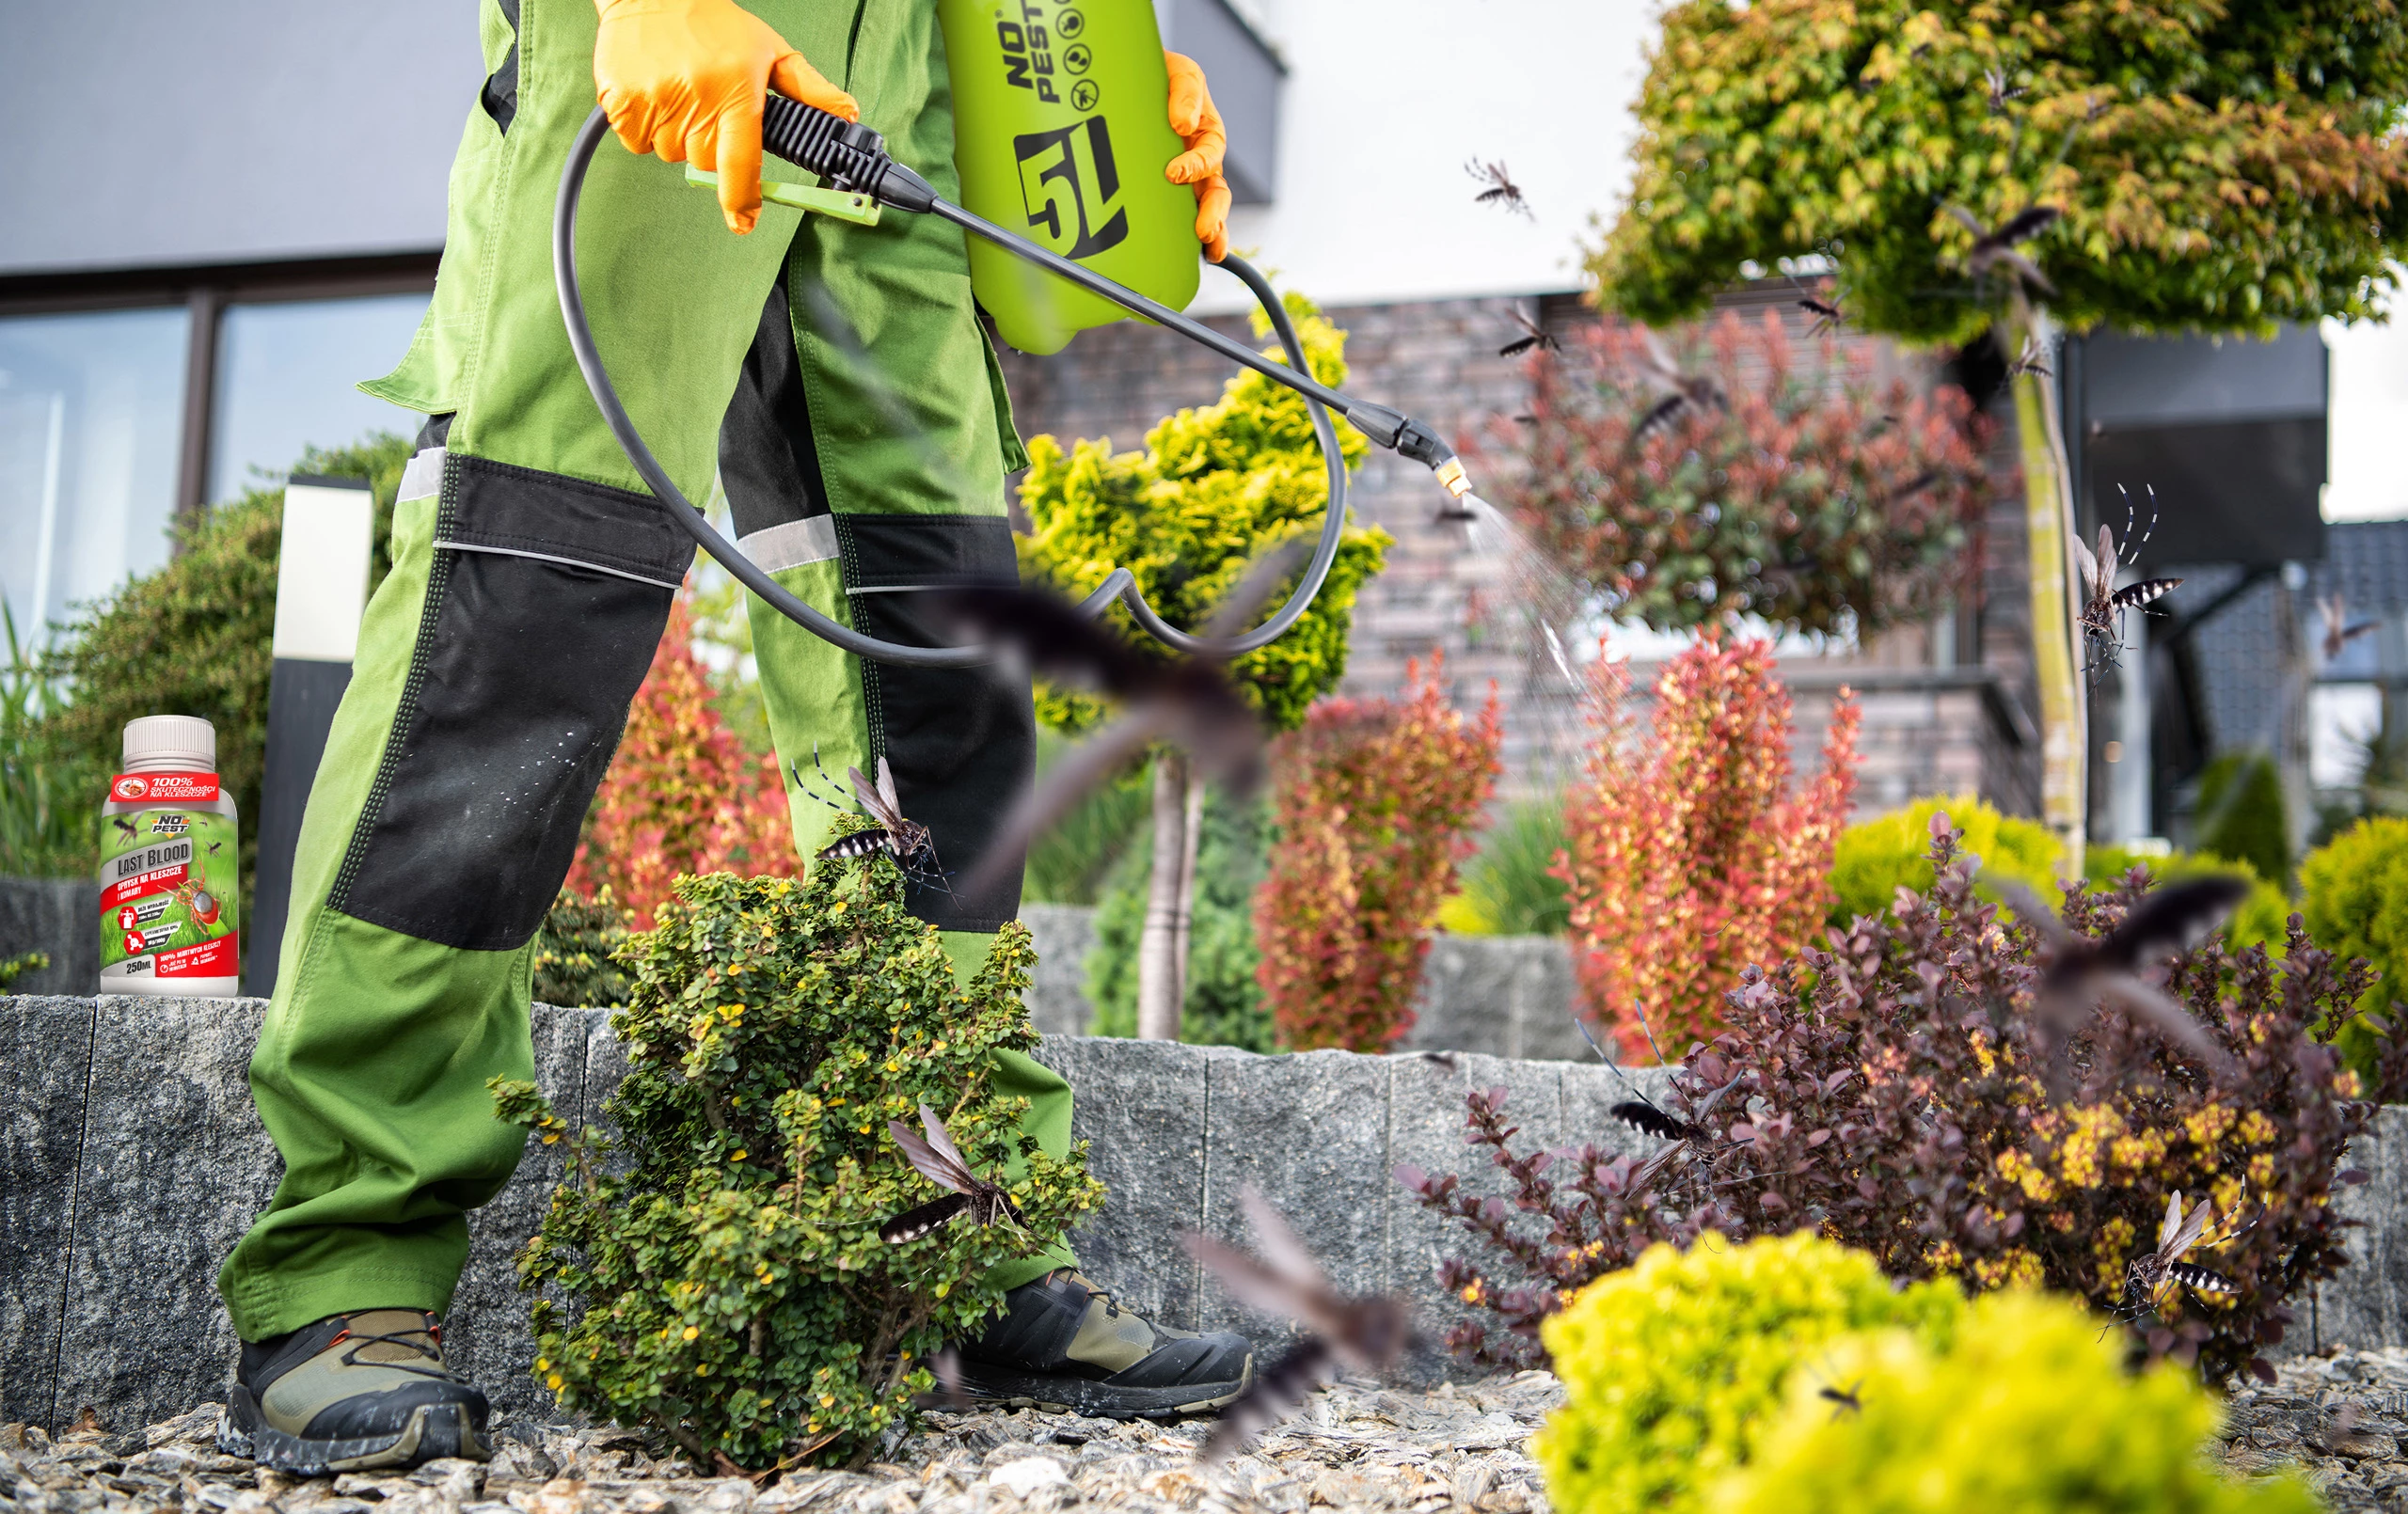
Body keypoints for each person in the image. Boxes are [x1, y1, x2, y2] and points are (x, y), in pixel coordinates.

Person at [214, 0, 1247, 1475]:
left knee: (935, 635)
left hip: (925, 56)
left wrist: (1091, 43)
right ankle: (345, 1263)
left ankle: (962, 1225)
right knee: (531, 592)